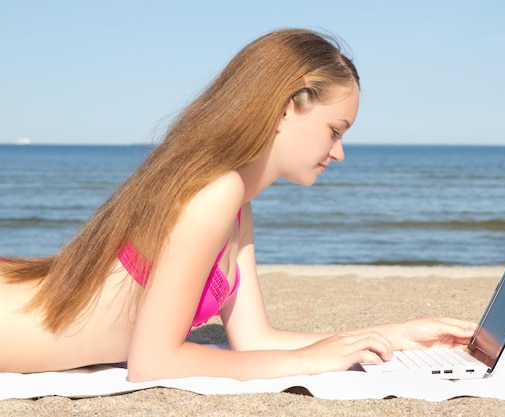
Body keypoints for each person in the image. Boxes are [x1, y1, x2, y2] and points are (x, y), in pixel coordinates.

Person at [0, 28, 475, 382]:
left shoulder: (235, 204)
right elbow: (154, 364)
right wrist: (306, 361)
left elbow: (255, 340)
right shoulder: (215, 191)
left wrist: (393, 337)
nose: (339, 152)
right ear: (288, 106)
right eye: (335, 130)